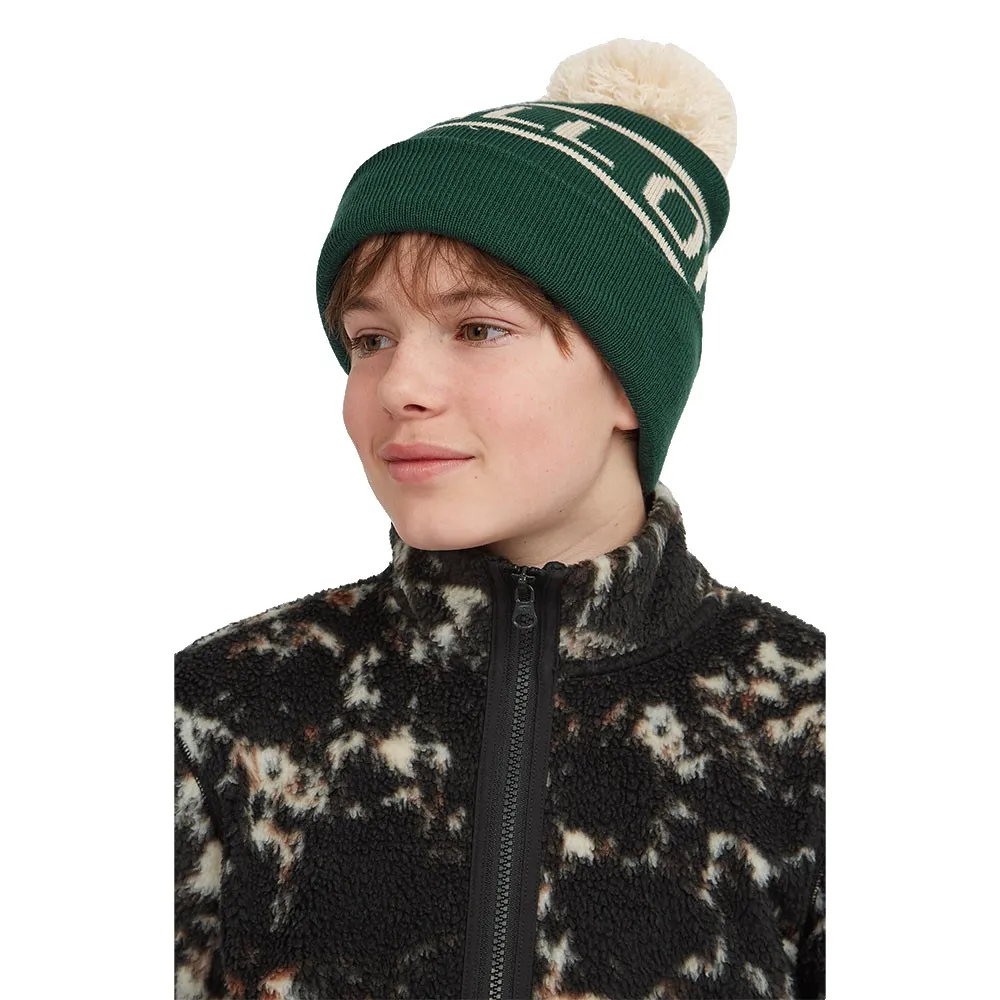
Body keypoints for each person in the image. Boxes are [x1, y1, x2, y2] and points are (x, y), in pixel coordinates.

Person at [175, 37, 825, 1000]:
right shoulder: (222, 708)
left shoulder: (806, 719)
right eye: (369, 338)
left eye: (479, 328)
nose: (400, 385)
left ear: (631, 378)